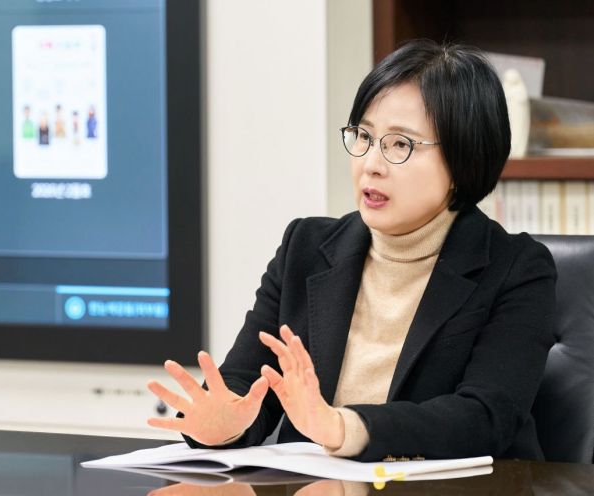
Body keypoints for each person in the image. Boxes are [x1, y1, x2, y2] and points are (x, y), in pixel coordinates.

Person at [146, 40, 556, 462]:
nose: (370, 164)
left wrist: (344, 427)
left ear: (463, 159)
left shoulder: (517, 269)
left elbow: (485, 417)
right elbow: (249, 383)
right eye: (363, 136)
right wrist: (226, 424)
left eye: (400, 145)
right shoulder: (304, 248)